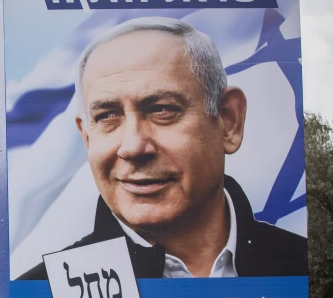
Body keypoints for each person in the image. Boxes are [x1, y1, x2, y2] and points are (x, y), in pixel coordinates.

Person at [19, 17, 306, 280]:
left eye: (162, 110)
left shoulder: (307, 272)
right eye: (107, 116)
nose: (133, 147)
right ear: (86, 137)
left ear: (229, 121)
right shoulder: (40, 296)